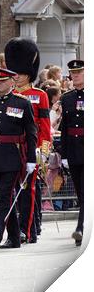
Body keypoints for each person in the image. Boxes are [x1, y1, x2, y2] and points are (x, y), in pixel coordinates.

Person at [0, 68, 37, 249]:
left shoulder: (22, 103)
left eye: (3, 81)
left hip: (13, 155)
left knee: (6, 194)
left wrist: (31, 159)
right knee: (3, 195)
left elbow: (31, 133)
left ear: (12, 82)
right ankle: (14, 238)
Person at [5, 37, 51, 244]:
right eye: (16, 74)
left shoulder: (39, 95)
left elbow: (44, 126)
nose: (18, 78)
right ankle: (15, 228)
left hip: (30, 148)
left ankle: (27, 229)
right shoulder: (8, 94)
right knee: (10, 191)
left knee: (28, 191)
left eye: (22, 74)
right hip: (11, 148)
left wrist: (43, 151)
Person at [59, 59, 84, 246]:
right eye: (72, 73)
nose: (74, 76)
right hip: (74, 150)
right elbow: (65, 129)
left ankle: (81, 227)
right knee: (80, 192)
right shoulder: (66, 98)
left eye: (78, 73)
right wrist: (65, 155)